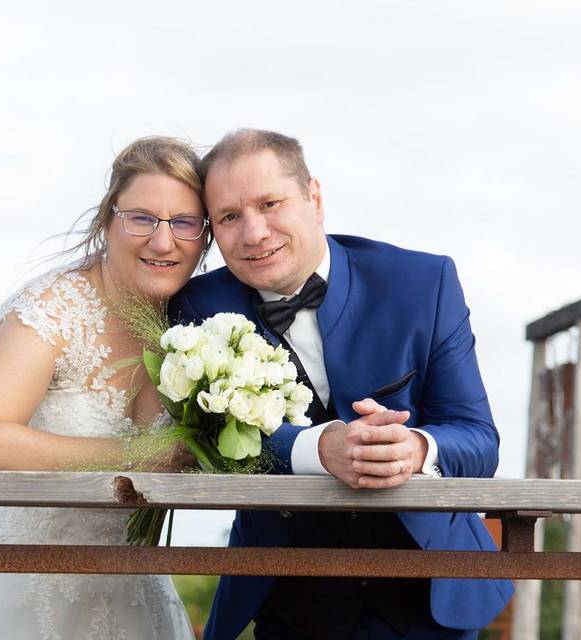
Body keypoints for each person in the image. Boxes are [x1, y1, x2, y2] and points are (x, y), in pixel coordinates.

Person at [170, 129, 514, 640]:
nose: (254, 232)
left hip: (431, 593)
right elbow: (207, 440)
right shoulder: (197, 307)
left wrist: (417, 448)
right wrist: (317, 448)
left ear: (314, 198)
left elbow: (479, 440)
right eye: (229, 217)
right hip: (289, 595)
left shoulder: (424, 283)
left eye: (270, 203)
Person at [0, 136, 210, 640]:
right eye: (141, 218)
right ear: (106, 220)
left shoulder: (194, 328)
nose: (163, 242)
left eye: (182, 223)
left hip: (119, 594)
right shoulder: (57, 308)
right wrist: (134, 456)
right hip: (0, 583)